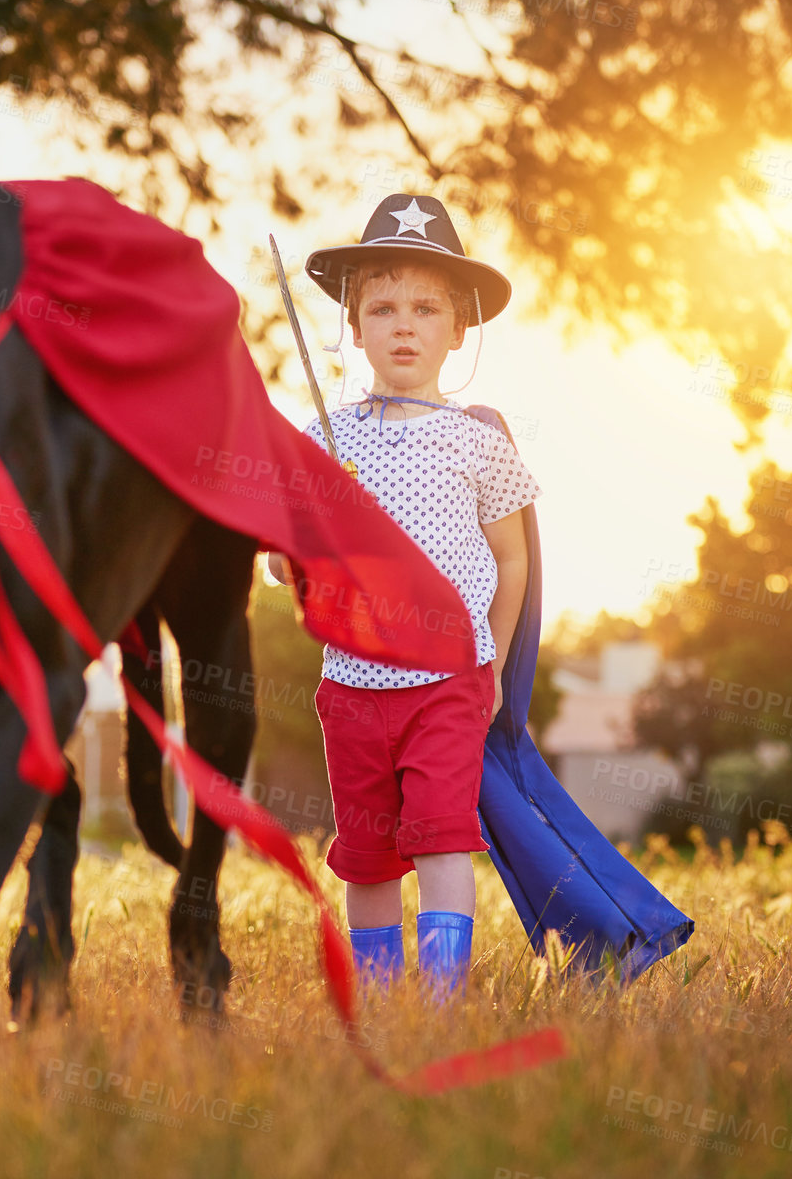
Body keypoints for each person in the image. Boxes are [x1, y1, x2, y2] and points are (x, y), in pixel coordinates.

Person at [267, 193, 537, 997]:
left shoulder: (479, 441)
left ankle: (440, 998)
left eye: (426, 308)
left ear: (460, 329)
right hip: (351, 684)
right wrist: (313, 540)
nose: (404, 326)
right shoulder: (323, 439)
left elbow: (510, 560)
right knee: (366, 850)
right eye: (381, 309)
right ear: (354, 328)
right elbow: (284, 566)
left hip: (448, 680)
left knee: (440, 839)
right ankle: (382, 998)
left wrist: (489, 663)